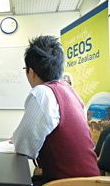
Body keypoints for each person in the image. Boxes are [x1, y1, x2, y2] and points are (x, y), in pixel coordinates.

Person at [10, 36, 100, 185]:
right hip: (92, 180)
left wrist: (19, 137)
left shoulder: (42, 93)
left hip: (66, 182)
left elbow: (23, 148)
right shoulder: (70, 91)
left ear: (31, 72)